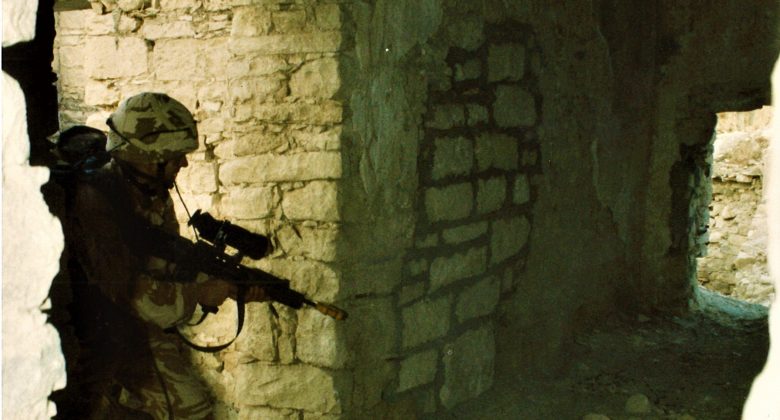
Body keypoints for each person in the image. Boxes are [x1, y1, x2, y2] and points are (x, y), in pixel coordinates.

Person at [65, 92, 266, 419]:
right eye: (175, 156)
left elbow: (167, 265)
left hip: (131, 330)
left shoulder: (151, 194)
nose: (183, 164)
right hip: (95, 338)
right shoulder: (94, 202)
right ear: (146, 156)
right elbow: (128, 292)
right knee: (189, 410)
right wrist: (199, 292)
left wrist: (228, 284)